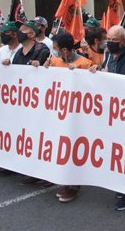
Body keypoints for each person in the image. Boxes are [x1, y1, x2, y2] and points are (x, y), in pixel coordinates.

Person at [95, 25, 125, 211]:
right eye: (109, 40)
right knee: (114, 151)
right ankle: (120, 185)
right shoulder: (108, 54)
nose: (110, 44)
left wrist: (105, 77)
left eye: (114, 41)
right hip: (112, 111)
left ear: (124, 40)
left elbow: (124, 83)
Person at [46, 32, 92, 203]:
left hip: (78, 116)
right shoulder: (54, 62)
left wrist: (87, 73)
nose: (54, 51)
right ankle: (64, 180)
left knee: (74, 149)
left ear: (65, 50)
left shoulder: (84, 64)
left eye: (56, 48)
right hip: (58, 113)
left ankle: (73, 185)